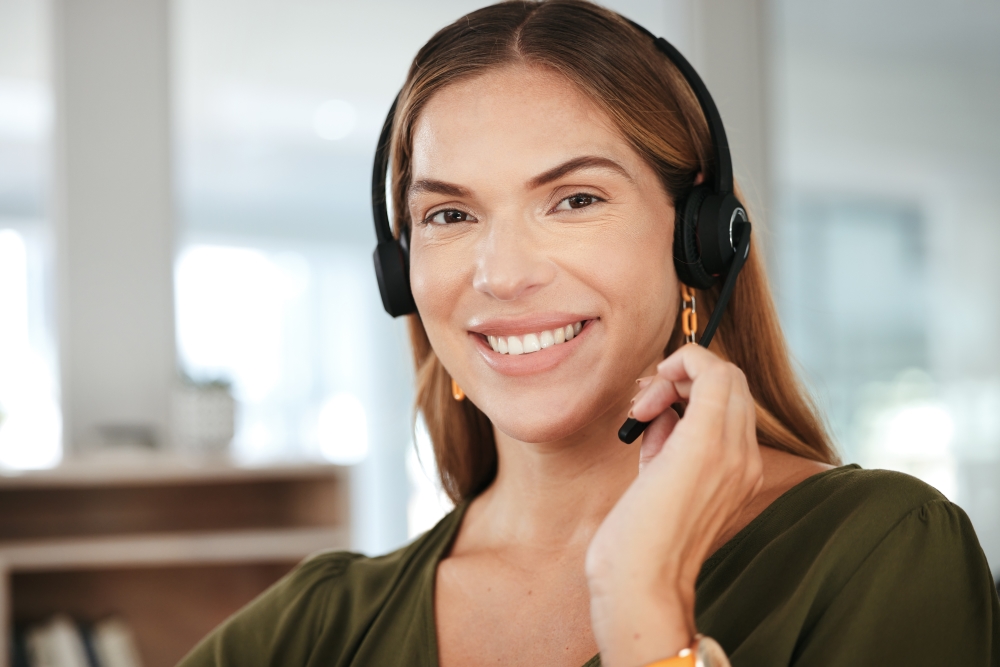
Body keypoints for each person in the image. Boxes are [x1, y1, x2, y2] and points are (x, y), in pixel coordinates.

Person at [178, 1, 1000, 665]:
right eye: (450, 214)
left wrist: (644, 604)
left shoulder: (877, 550)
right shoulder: (312, 630)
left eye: (574, 200)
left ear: (700, 240)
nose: (501, 274)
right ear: (403, 274)